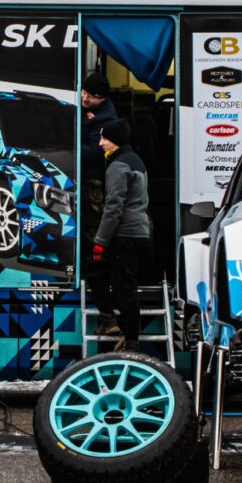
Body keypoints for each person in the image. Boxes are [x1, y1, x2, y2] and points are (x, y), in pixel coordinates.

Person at [90, 118, 151, 353]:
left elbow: (113, 207)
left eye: (104, 138)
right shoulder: (137, 161)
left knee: (115, 284)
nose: (100, 143)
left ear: (115, 140)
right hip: (140, 234)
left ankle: (128, 337)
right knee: (123, 284)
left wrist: (100, 242)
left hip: (124, 235)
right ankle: (113, 323)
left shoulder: (118, 166)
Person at [77, 71, 117, 249]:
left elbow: (95, 151)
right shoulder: (85, 106)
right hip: (79, 173)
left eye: (90, 97)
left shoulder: (106, 117)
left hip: (92, 178)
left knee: (92, 223)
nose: (85, 98)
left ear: (102, 99)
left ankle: (95, 261)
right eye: (84, 92)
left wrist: (71, 146)